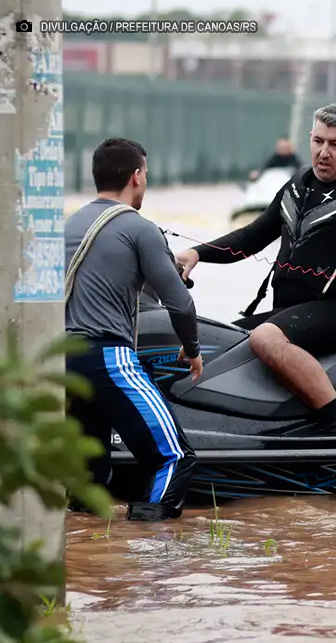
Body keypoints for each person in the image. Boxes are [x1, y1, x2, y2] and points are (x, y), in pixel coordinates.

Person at [176, 104, 336, 436]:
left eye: (335, 144)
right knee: (204, 341)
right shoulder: (298, 185)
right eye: (318, 141)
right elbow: (251, 237)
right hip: (291, 312)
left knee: (265, 337)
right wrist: (196, 253)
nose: (323, 152)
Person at [65, 138, 202, 521]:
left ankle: (88, 557)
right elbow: (179, 302)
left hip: (62, 361)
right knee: (173, 457)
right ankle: (147, 549)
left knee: (87, 477)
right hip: (107, 358)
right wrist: (192, 349)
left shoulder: (69, 224)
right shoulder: (139, 228)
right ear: (137, 176)